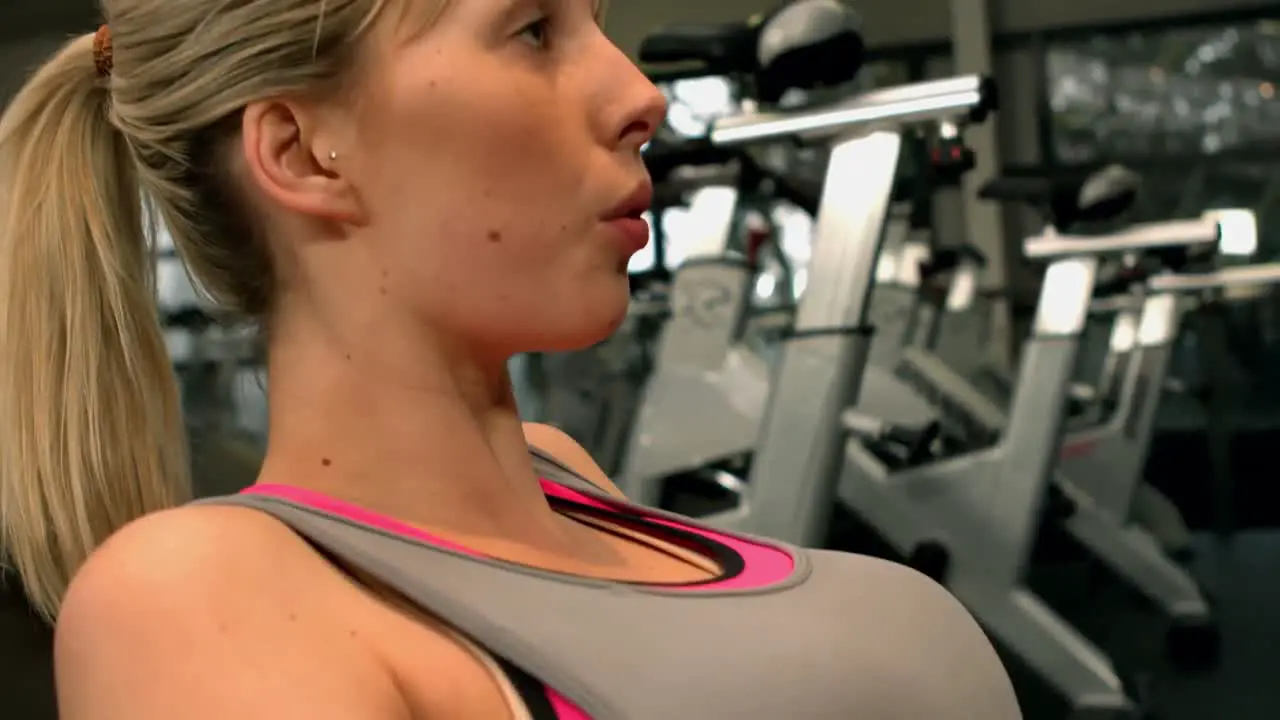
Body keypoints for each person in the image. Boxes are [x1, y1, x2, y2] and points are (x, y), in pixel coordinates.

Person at [0, 1, 1023, 718]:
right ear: (306, 153)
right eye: (531, 30)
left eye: (594, 23)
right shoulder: (196, 600)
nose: (639, 95)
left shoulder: (559, 472)